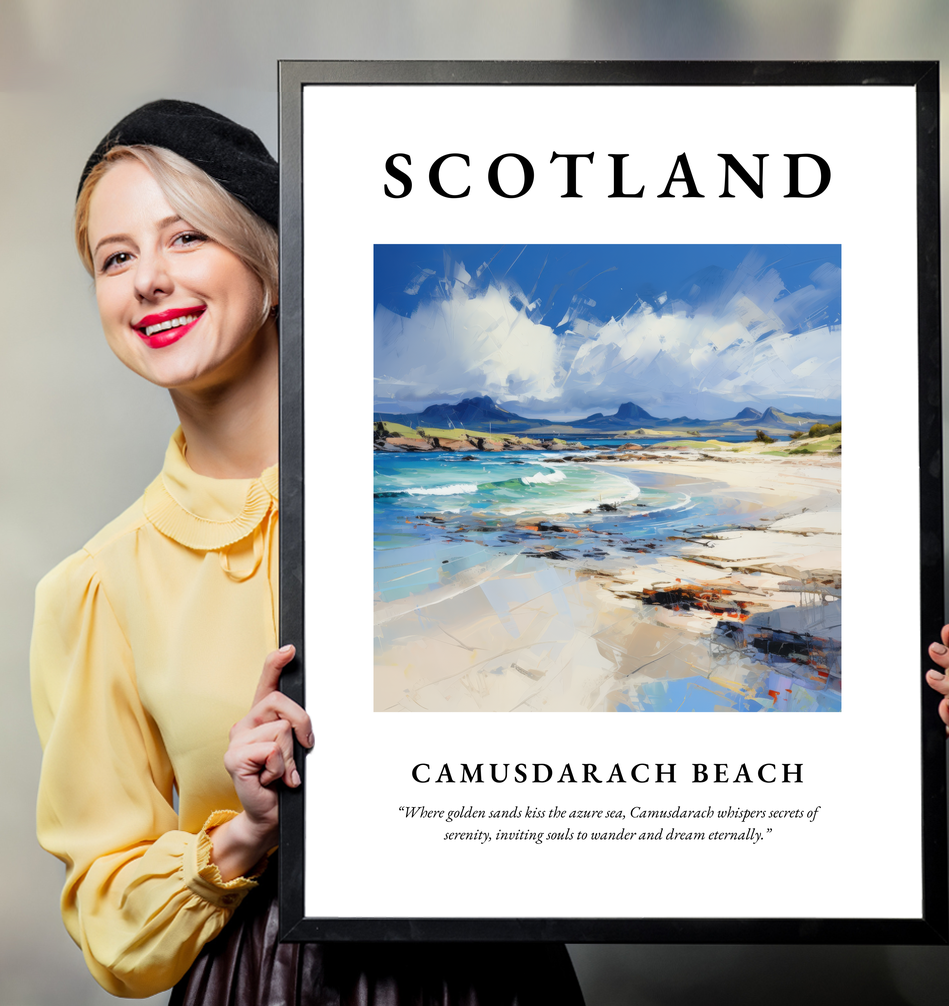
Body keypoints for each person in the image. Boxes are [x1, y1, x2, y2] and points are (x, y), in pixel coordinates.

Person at [30, 100, 586, 1004]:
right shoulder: (97, 587)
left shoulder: (451, 506)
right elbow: (109, 923)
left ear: (273, 263)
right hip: (263, 982)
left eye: (185, 238)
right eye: (116, 257)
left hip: (493, 973)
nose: (148, 281)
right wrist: (245, 832)